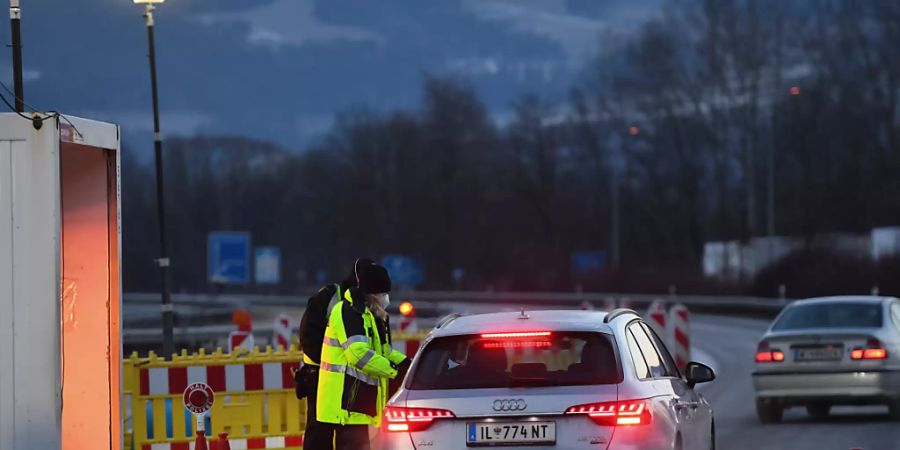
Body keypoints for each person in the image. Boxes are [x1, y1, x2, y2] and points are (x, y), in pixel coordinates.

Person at [317, 262, 410, 450]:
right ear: (372, 294)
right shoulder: (349, 312)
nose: (386, 299)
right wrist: (394, 372)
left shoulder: (369, 314)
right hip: (346, 402)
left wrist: (409, 365)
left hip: (359, 400)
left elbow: (385, 351)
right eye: (383, 294)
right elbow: (357, 354)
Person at [298, 258, 373, 450]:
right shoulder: (329, 296)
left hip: (353, 379)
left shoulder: (368, 302)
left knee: (353, 435)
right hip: (322, 377)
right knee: (319, 432)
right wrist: (328, 364)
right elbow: (308, 335)